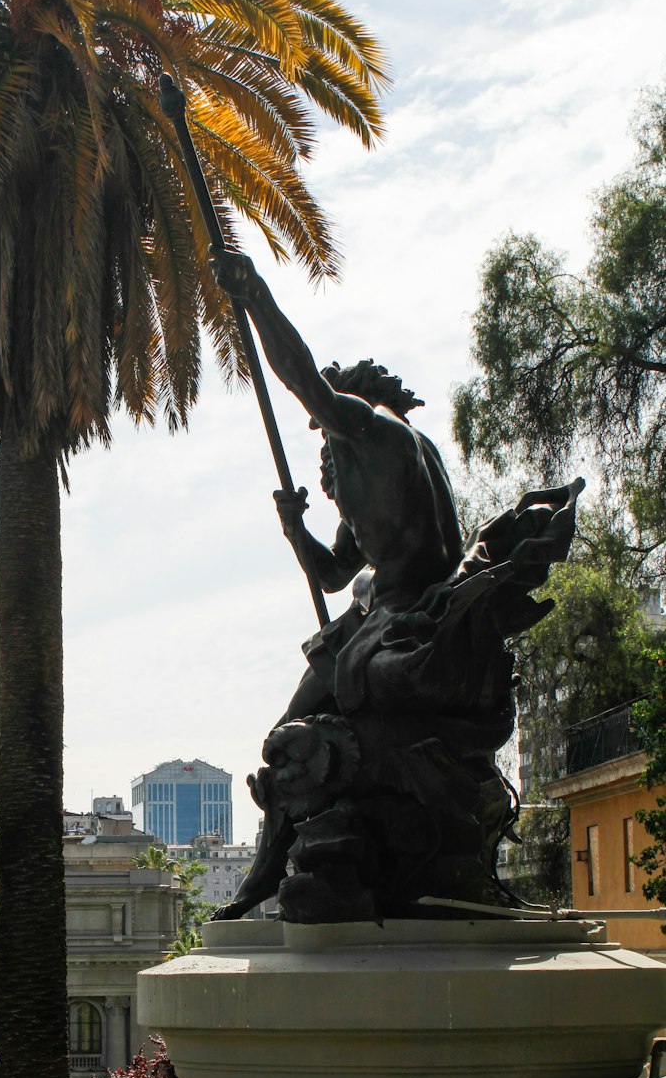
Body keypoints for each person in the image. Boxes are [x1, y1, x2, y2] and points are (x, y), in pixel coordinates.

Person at [209, 248, 581, 921]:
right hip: (370, 618)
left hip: (406, 618)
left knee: (311, 736)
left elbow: (304, 382)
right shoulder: (366, 477)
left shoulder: (384, 438)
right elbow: (334, 572)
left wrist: (256, 295)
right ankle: (272, 863)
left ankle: (339, 853)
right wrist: (296, 529)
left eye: (329, 427)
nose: (324, 441)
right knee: (286, 734)